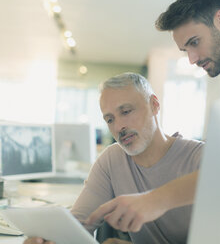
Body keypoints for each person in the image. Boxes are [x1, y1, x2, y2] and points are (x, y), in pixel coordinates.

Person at [24, 73, 203, 244]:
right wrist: (51, 239)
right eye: (109, 120)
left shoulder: (200, 157)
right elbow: (79, 225)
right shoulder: (112, 160)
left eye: (126, 111)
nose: (118, 127)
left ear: (154, 105)